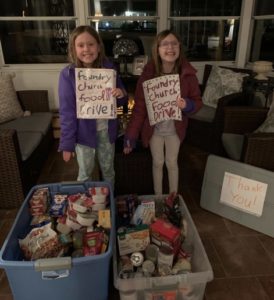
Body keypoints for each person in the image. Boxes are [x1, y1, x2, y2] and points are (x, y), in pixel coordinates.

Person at [123, 29, 202, 195]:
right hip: (154, 130)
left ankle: (172, 197)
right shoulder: (148, 74)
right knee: (157, 162)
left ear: (179, 47)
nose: (170, 47)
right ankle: (158, 197)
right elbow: (139, 108)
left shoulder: (187, 74)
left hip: (175, 129)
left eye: (174, 43)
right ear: (157, 49)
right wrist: (131, 134)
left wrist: (187, 105)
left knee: (172, 162)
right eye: (165, 44)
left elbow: (197, 102)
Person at [58, 25, 128, 189]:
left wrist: (121, 94)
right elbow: (67, 112)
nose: (86, 49)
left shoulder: (109, 68)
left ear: (98, 46)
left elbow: (122, 99)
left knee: (108, 169)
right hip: (83, 135)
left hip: (106, 131)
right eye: (81, 45)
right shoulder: (68, 74)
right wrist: (67, 143)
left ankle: (108, 201)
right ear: (73, 49)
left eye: (90, 44)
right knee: (85, 172)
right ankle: (85, 205)